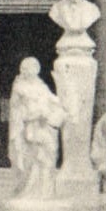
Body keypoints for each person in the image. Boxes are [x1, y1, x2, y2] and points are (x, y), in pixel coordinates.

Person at [7, 57, 68, 198]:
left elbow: (54, 101)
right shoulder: (19, 88)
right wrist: (33, 115)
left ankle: (45, 191)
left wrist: (58, 107)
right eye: (28, 68)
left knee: (49, 154)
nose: (32, 70)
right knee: (33, 159)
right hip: (30, 128)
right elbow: (16, 112)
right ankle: (29, 191)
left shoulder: (42, 86)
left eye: (35, 67)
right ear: (23, 70)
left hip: (44, 125)